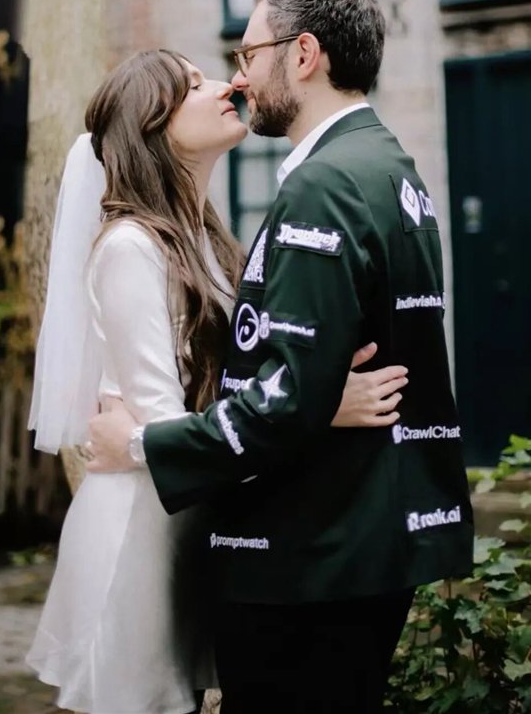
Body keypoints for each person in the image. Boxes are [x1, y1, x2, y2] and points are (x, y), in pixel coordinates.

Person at [87, 0, 475, 714]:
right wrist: (320, 395)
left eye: (247, 54)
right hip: (363, 541)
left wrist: (137, 444)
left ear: (302, 54)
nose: (239, 78)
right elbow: (307, 380)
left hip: (312, 554)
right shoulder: (387, 165)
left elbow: (284, 401)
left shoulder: (322, 185)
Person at [27, 48, 408, 714]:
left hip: (194, 517)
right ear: (152, 125)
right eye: (194, 85)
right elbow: (164, 422)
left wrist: (309, 390)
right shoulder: (130, 248)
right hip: (141, 532)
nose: (224, 85)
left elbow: (241, 379)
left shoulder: (209, 240)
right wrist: (314, 409)